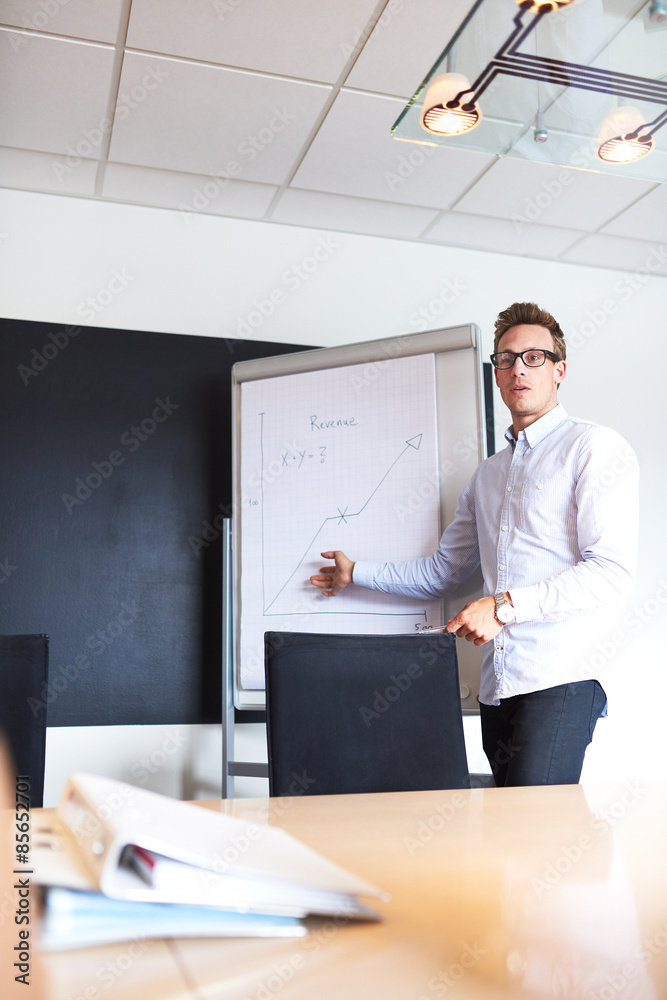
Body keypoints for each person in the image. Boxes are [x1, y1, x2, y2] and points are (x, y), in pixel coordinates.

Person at [309, 302, 639, 787]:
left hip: (562, 678)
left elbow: (610, 570)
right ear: (496, 374)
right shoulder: (488, 475)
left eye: (533, 357)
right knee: (510, 841)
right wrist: (355, 571)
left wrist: (502, 607)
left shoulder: (593, 448)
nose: (517, 369)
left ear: (559, 370)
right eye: (505, 359)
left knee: (537, 831)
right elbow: (443, 573)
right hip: (497, 690)